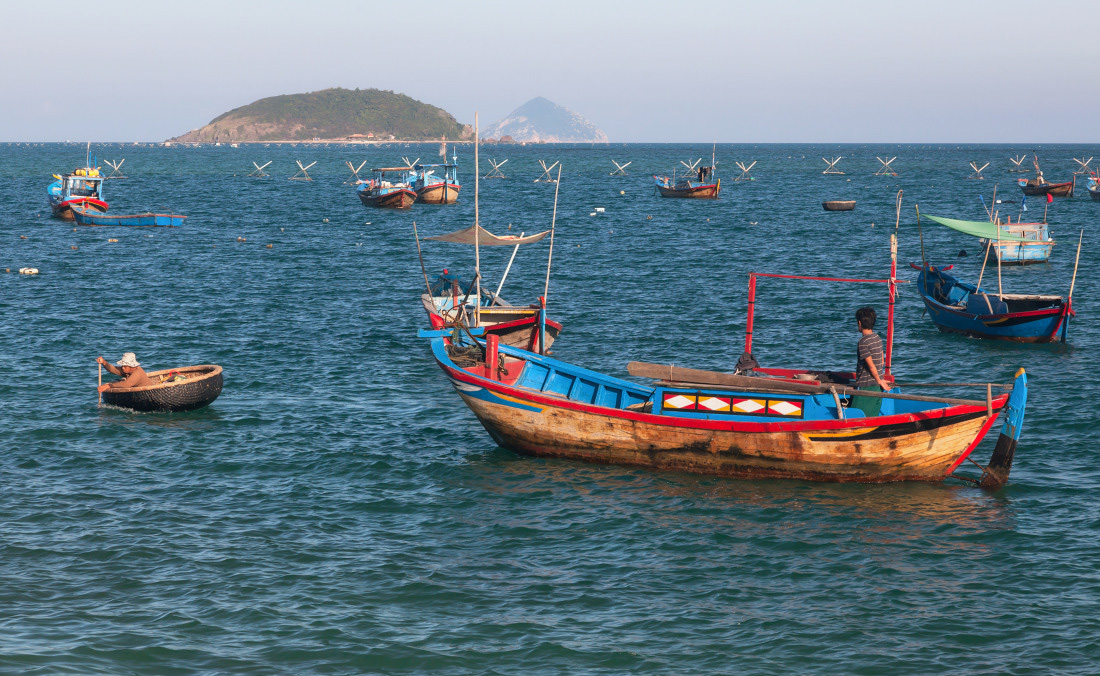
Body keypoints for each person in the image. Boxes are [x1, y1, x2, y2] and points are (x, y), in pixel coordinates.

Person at [848, 307, 891, 417]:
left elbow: (871, 366)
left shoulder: (863, 342)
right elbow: (881, 361)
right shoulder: (877, 338)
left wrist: (880, 380)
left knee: (854, 417)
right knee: (872, 416)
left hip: (866, 385)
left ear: (859, 323)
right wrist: (880, 380)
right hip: (877, 387)